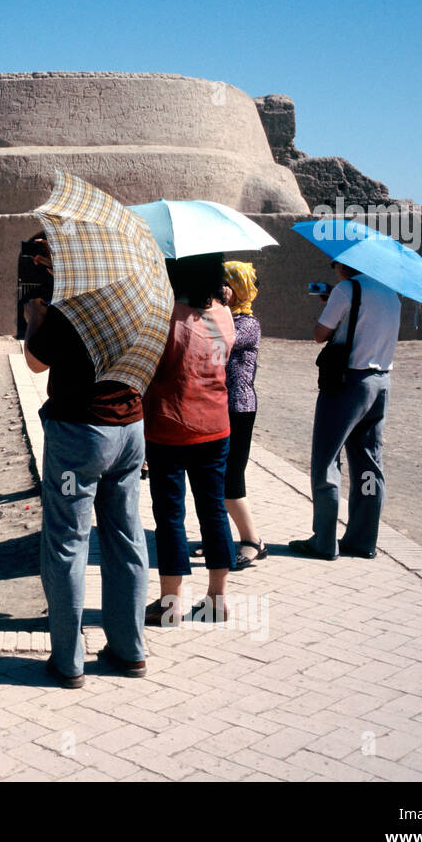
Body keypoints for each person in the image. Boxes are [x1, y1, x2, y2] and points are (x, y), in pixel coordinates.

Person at [24, 284, 151, 689]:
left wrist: (34, 321)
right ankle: (130, 651)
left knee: (67, 541)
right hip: (130, 429)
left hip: (79, 433)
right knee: (126, 537)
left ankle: (68, 661)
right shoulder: (144, 299)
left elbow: (34, 363)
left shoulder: (73, 304)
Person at [142, 253, 237, 625]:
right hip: (215, 423)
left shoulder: (168, 316)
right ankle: (217, 599)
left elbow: (153, 368)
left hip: (170, 425)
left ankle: (171, 603)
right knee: (214, 509)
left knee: (170, 516)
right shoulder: (224, 314)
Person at [290, 262, 400, 560]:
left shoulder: (346, 290)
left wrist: (333, 306)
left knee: (327, 459)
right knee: (368, 463)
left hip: (348, 383)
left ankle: (324, 541)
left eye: (334, 263)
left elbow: (319, 334)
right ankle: (363, 541)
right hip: (381, 383)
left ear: (343, 265)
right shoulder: (391, 292)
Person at [221, 260, 266, 566]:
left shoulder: (247, 324)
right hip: (216, 408)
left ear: (237, 289)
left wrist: (215, 309)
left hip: (239, 408)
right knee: (213, 477)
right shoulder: (224, 317)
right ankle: (218, 537)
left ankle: (253, 541)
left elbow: (219, 344)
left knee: (231, 476)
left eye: (223, 284)